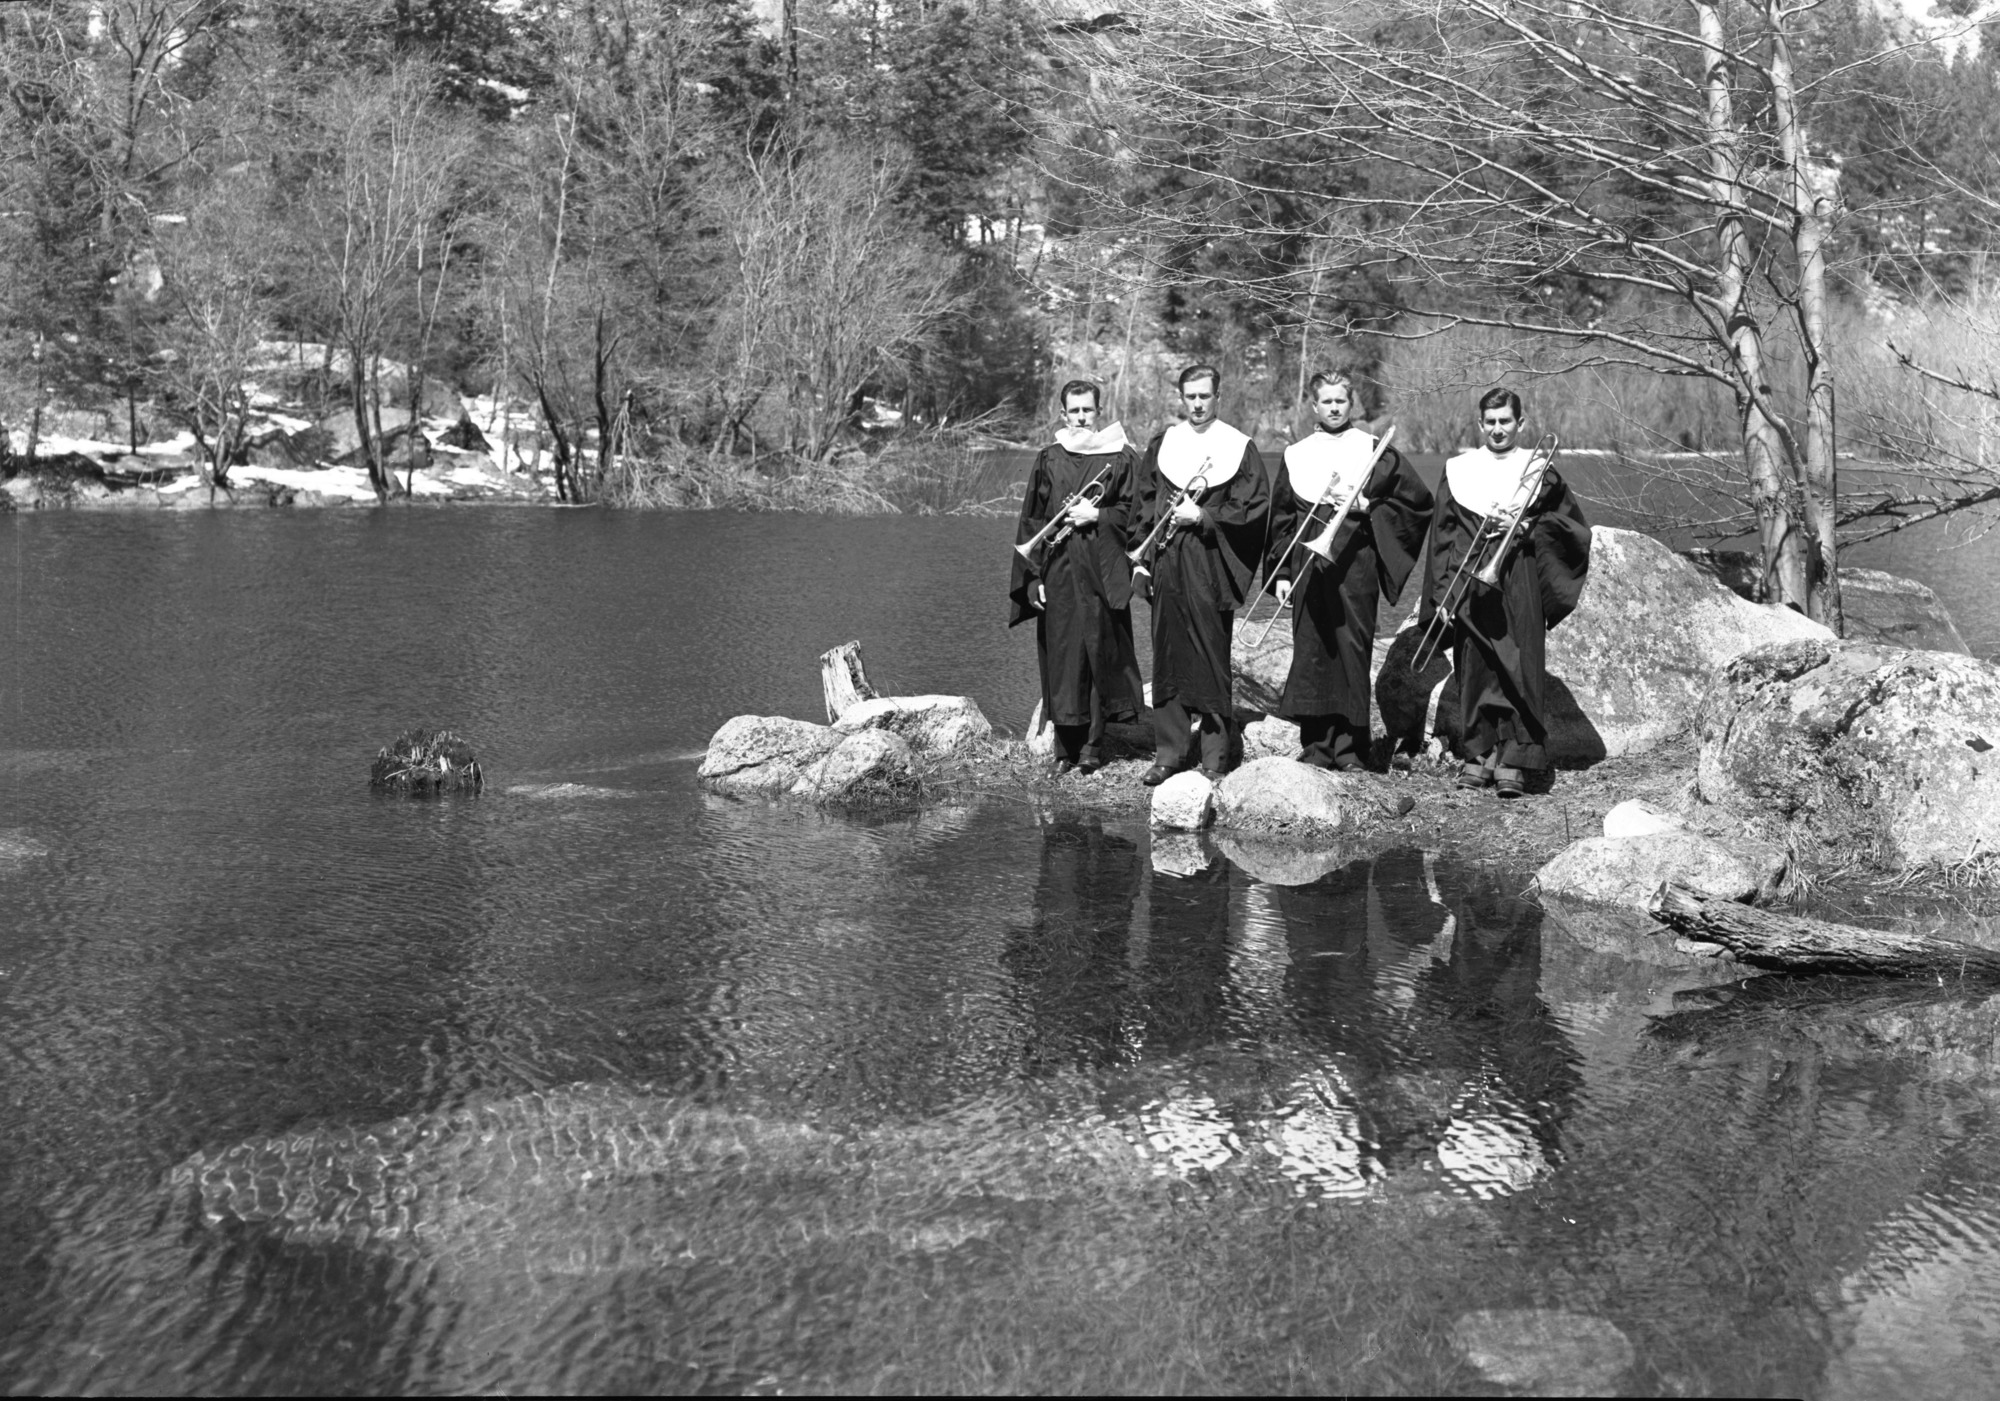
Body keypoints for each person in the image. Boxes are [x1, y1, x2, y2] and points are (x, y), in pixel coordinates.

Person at [1417, 387, 1591, 798]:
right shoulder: (1459, 468)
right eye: (1490, 422)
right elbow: (1442, 536)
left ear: (1521, 423)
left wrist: (1531, 528)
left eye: (1506, 421)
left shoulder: (1540, 468)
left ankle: (1514, 759)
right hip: (1470, 575)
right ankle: (1479, 754)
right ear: (1480, 424)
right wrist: (1441, 592)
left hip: (1519, 574)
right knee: (1475, 666)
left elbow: (1570, 527)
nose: (1498, 429)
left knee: (1520, 664)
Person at [1263, 372, 1433, 772]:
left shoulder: (1373, 449)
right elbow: (1283, 520)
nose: (1335, 408)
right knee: (1312, 652)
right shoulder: (1296, 453)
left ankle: (1351, 749)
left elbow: (1415, 503)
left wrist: (1367, 505)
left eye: (1341, 401)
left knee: (1352, 650)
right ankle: (1317, 746)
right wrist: (1282, 574)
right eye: (1327, 401)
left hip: (1357, 564)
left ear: (1351, 404)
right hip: (1308, 565)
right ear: (1314, 405)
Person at [1133, 364, 1270, 785]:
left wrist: (1205, 516)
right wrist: (1139, 561)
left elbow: (1253, 509)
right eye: (1190, 396)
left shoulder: (1238, 447)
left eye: (1204, 396)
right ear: (1181, 397)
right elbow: (1143, 501)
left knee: (1211, 659)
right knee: (1168, 657)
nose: (1197, 404)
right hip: (1167, 563)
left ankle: (1214, 756)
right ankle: (1169, 753)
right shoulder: (1164, 442)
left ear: (1217, 396)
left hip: (1211, 564)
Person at [1009, 380, 1146, 774]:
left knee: (1097, 652)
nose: (1082, 417)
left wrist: (1098, 516)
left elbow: (1136, 515)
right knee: (1064, 655)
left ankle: (1091, 748)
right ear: (1063, 414)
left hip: (1102, 569)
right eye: (1075, 410)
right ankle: (1063, 749)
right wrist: (1032, 578)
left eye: (1088, 409)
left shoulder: (1121, 457)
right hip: (1060, 571)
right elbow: (1031, 521)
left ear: (1098, 411)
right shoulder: (1049, 458)